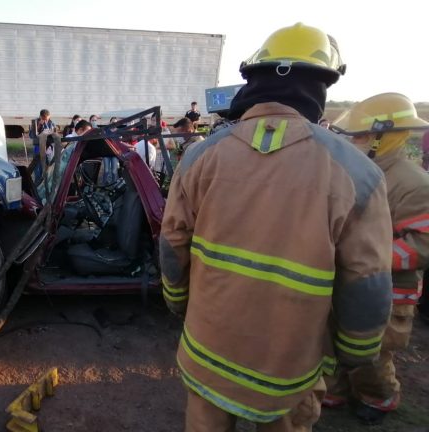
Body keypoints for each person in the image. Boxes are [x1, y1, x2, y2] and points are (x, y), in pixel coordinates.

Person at [159, 23, 392, 432]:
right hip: (288, 369)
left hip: (207, 350)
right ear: (321, 88)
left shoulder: (200, 157)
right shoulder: (358, 173)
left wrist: (178, 302)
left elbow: (172, 242)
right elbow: (366, 280)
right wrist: (356, 352)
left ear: (253, 82)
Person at [323, 93, 429, 425]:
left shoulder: (413, 184)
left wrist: (368, 258)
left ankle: (378, 397)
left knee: (373, 352)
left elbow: (422, 244)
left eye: (359, 135)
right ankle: (334, 390)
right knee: (333, 339)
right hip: (347, 280)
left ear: (383, 136)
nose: (352, 141)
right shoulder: (358, 171)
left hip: (388, 289)